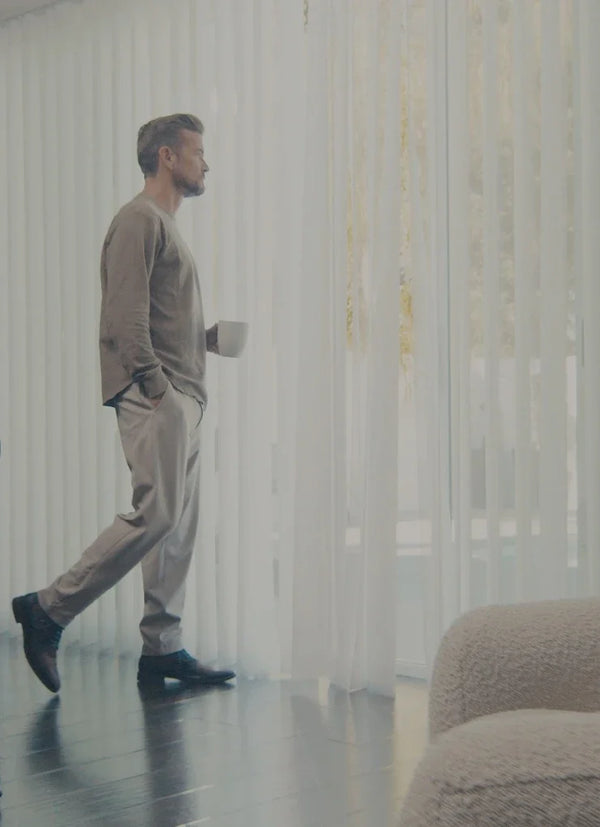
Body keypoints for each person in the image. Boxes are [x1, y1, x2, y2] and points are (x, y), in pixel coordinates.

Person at [12, 114, 235, 693]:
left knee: (176, 528)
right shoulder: (138, 219)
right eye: (198, 152)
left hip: (184, 394)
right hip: (157, 395)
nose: (205, 163)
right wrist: (156, 388)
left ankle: (162, 648)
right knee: (157, 514)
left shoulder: (165, 225)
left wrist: (202, 339)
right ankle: (48, 608)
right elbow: (123, 319)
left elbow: (155, 317)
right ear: (167, 156)